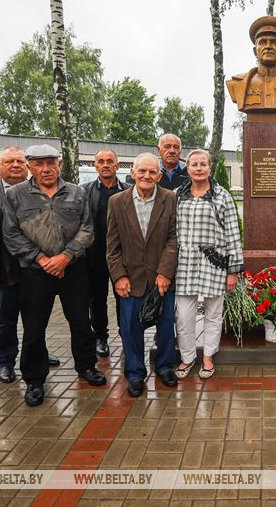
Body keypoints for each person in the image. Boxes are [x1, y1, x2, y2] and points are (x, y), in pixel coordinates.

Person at [3, 144, 105, 407]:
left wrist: (65, 257)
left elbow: (87, 230)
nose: (45, 168)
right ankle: (34, 379)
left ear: (59, 163)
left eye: (51, 162)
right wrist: (42, 259)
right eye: (39, 163)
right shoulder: (15, 195)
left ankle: (86, 366)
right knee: (34, 327)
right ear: (29, 166)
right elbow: (11, 233)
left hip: (72, 269)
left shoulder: (76, 192)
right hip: (35, 272)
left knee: (81, 321)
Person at [106, 153, 179, 397]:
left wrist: (165, 272)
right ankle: (135, 374)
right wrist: (118, 277)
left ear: (159, 176)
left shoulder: (170, 199)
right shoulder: (117, 201)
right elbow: (112, 246)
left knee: (167, 324)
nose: (147, 176)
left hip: (162, 278)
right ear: (133, 173)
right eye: (142, 171)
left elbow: (173, 239)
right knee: (130, 328)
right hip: (131, 278)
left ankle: (165, 366)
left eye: (152, 172)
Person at [0, 146, 62, 384]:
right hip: (6, 267)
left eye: (20, 161)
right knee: (5, 318)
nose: (15, 166)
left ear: (28, 165)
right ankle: (5, 361)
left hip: (38, 268)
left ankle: (36, 354)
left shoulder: (44, 190)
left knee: (36, 317)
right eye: (9, 161)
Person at [174, 149, 243, 379]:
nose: (199, 168)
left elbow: (234, 234)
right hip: (184, 264)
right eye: (194, 164)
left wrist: (233, 271)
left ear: (210, 167)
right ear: (188, 168)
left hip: (215, 262)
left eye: (203, 164)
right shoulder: (177, 195)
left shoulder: (222, 196)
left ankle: (208, 357)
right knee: (184, 316)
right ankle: (187, 358)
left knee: (214, 313)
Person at [82, 149, 128, 357]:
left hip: (122, 256)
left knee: (124, 297)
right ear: (95, 165)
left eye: (110, 161)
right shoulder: (85, 192)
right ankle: (100, 336)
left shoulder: (128, 191)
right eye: (101, 161)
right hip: (95, 256)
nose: (106, 164)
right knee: (97, 299)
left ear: (118, 165)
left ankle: (126, 334)